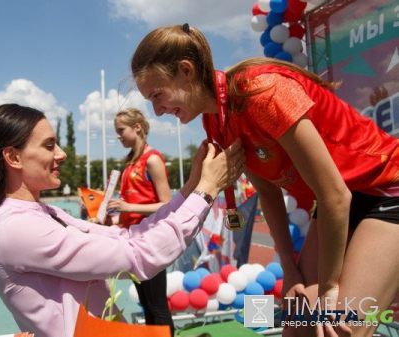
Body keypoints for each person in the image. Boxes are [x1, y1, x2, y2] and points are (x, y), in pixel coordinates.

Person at [130, 24, 399, 337]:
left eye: (157, 95)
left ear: (186, 71)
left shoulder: (261, 91)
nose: (157, 111)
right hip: (339, 200)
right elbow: (267, 193)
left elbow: (335, 197)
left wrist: (328, 289)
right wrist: (289, 267)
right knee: (297, 328)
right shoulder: (214, 121)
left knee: (340, 329)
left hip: (386, 188)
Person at [0, 103, 245, 337]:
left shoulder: (43, 212)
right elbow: (139, 255)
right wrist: (206, 191)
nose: (61, 154)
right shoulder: (14, 228)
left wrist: (191, 190)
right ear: (13, 157)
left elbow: (126, 238)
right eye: (49, 146)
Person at [104, 108, 175, 334]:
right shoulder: (129, 164)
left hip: (151, 241)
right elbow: (131, 210)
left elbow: (167, 204)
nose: (118, 136)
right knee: (147, 305)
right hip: (134, 240)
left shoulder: (151, 159)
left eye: (120, 130)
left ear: (137, 127)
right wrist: (113, 219)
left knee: (157, 306)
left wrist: (128, 207)